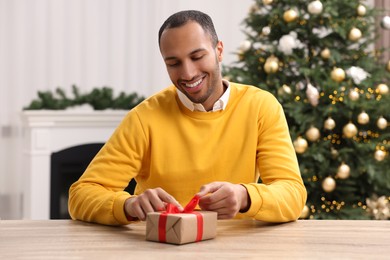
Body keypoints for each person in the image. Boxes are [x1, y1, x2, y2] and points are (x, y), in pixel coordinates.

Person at [68, 10, 307, 225]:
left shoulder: (260, 106)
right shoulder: (144, 118)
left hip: (237, 248)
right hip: (161, 247)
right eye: (173, 63)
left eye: (197, 56)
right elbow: (81, 194)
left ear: (219, 50)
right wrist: (129, 205)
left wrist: (245, 196)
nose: (188, 73)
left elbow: (293, 194)